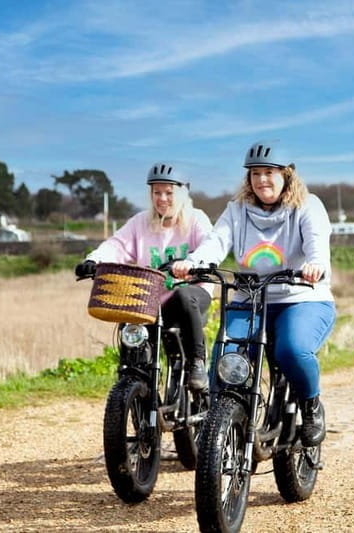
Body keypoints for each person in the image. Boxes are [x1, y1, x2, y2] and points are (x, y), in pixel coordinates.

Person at [172, 141, 336, 446]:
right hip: (250, 299)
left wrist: (315, 266)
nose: (261, 180)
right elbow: (216, 242)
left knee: (292, 350)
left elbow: (316, 244)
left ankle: (311, 406)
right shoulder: (237, 210)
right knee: (226, 360)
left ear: (287, 175)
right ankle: (229, 422)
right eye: (255, 173)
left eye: (269, 173)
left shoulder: (307, 205)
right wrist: (194, 263)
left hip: (302, 297)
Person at [75, 162, 213, 391]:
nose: (162, 198)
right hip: (151, 302)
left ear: (183, 192)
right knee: (130, 319)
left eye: (169, 192)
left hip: (191, 299)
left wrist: (191, 263)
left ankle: (197, 362)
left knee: (184, 295)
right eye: (156, 192)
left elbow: (209, 247)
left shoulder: (196, 219)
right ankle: (133, 380)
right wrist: (94, 260)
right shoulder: (141, 222)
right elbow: (116, 245)